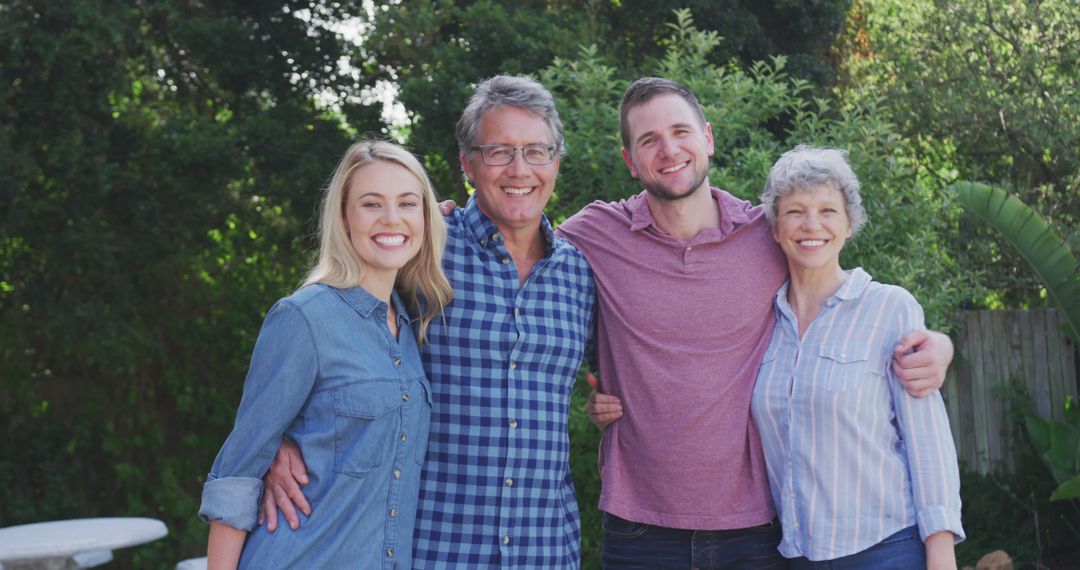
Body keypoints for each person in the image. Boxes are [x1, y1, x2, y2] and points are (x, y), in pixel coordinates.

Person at [560, 77, 954, 569]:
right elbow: (520, 238)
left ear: (708, 137)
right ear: (630, 161)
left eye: (681, 131)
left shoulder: (764, 236)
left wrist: (939, 344)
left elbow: (847, 298)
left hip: (755, 532)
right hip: (642, 529)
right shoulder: (597, 233)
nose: (668, 150)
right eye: (648, 140)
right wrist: (439, 216)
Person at [261, 76, 596, 567]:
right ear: (467, 164)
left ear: (556, 162)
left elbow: (620, 375)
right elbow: (324, 333)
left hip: (545, 548)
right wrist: (280, 437)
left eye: (536, 151)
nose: (519, 169)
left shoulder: (581, 274)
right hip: (433, 550)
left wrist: (609, 400)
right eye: (499, 151)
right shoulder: (422, 250)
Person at [198, 141, 452, 569]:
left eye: (407, 203)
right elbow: (238, 474)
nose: (392, 218)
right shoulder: (304, 318)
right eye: (372, 204)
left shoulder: (410, 325)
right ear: (344, 217)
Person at [751, 146, 963, 569]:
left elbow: (929, 444)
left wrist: (942, 557)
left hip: (887, 551)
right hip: (797, 556)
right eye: (795, 211)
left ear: (849, 225)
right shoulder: (760, 324)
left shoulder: (889, 308)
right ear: (775, 228)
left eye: (828, 210)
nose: (812, 224)